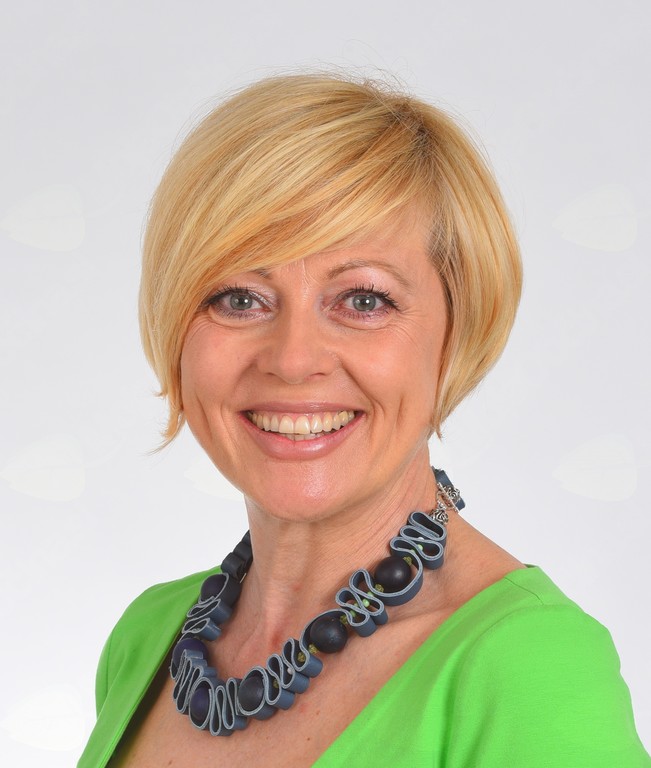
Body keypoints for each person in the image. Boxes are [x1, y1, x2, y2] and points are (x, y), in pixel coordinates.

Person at [78, 73, 650, 768]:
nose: (293, 361)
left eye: (364, 300)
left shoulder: (528, 668)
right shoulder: (148, 639)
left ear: (457, 332)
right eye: (238, 298)